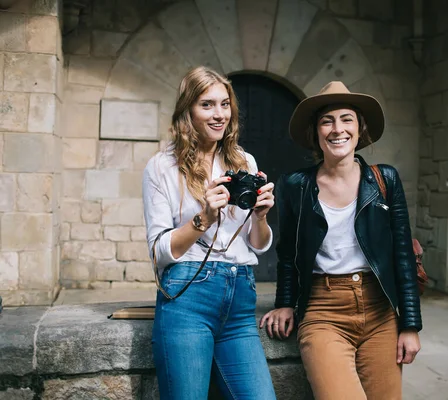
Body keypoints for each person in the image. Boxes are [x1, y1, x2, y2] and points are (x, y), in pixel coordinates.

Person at [260, 81, 423, 399]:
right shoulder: (296, 185)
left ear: (359, 128)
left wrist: (410, 325)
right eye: (327, 120)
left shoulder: (384, 179)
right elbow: (287, 252)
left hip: (380, 312)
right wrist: (284, 304)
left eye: (346, 119)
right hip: (324, 311)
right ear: (316, 132)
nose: (338, 129)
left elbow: (402, 253)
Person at [143, 66, 277, 400]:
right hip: (188, 296)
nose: (219, 115)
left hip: (241, 295)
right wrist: (204, 217)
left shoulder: (243, 160)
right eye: (207, 105)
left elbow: (257, 245)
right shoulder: (162, 166)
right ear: (187, 110)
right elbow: (160, 251)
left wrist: (260, 216)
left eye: (224, 104)